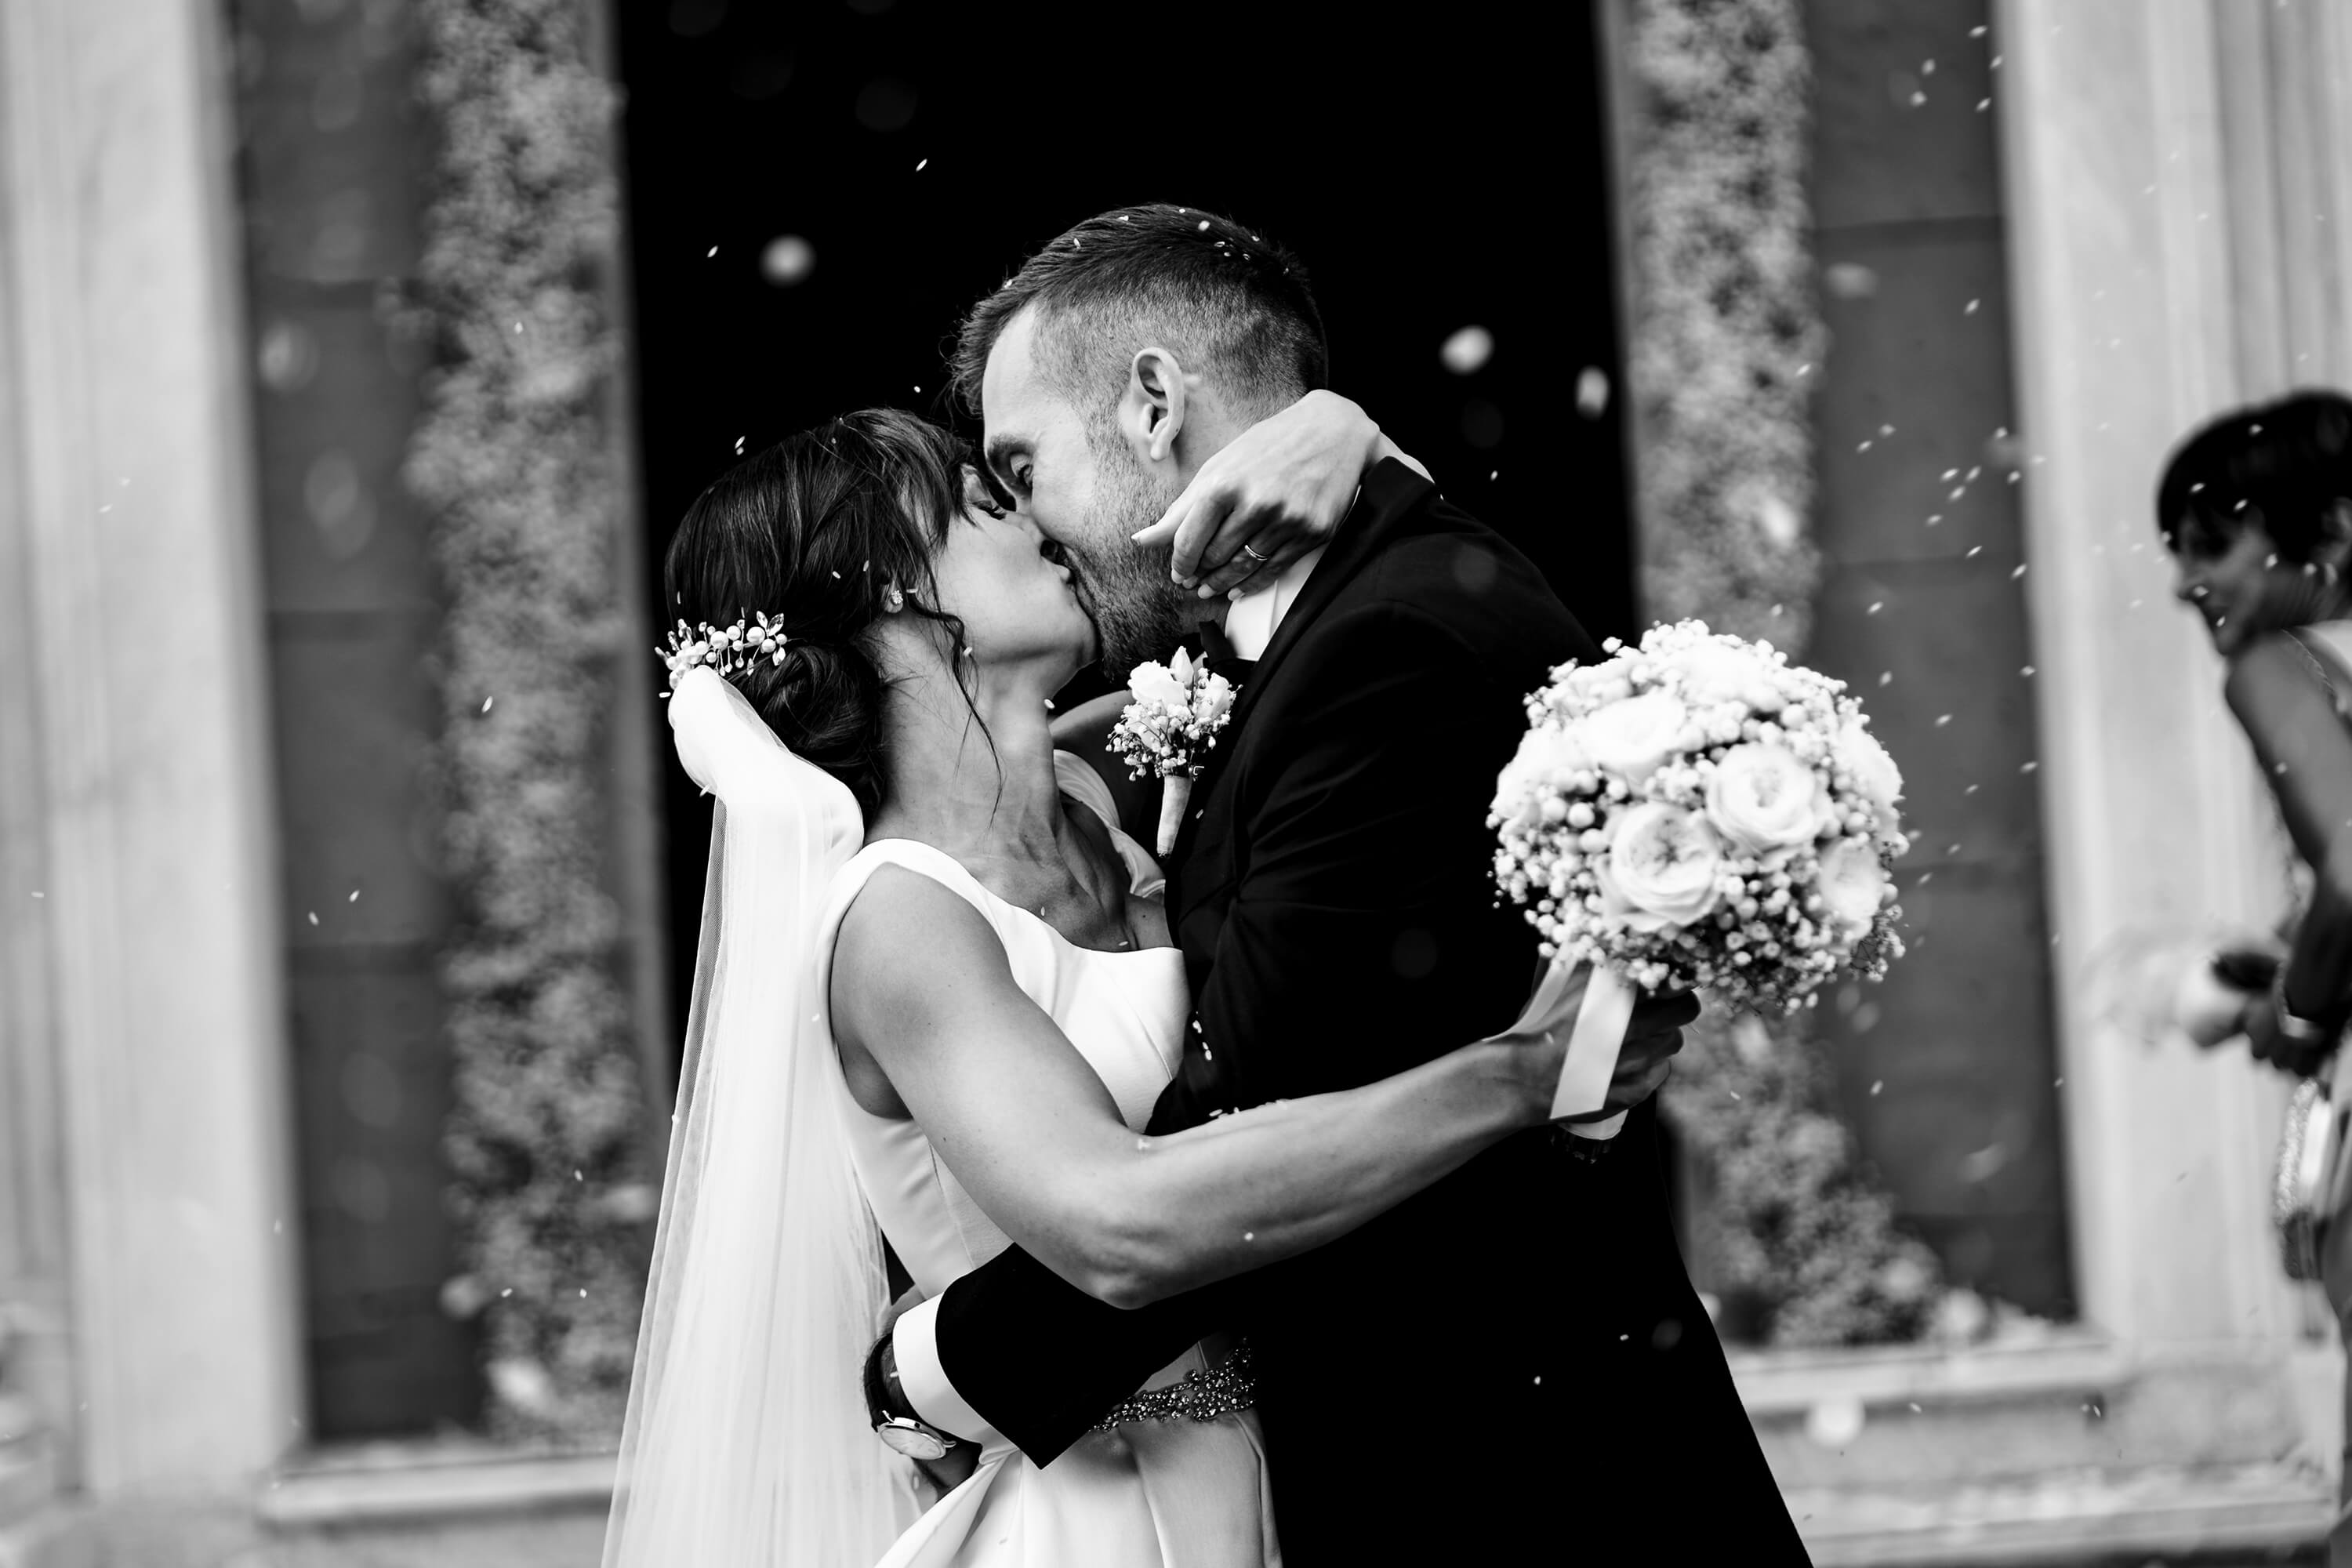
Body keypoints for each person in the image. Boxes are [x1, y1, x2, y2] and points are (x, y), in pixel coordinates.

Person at [600, 395, 1694, 1568]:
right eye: (984, 504)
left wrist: (1352, 439)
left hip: (1300, 1473)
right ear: (885, 602)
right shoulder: (898, 922)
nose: (1039, 524)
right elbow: (1116, 1226)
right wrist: (1526, 1072)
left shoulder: (1113, 770)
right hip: (1101, 1519)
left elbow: (1360, 639)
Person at [868, 204, 1809, 1564]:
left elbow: (1261, 1104)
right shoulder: (1315, 631)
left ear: (1151, 405)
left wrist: (944, 1361)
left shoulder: (1389, 648)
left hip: (1513, 1469)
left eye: (1022, 464)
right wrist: (1357, 435)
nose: (1030, 524)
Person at [2158, 388, 2352, 1564]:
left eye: (2211, 544)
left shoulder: (2276, 665)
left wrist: (2294, 1009)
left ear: (2324, 533)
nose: (2188, 582)